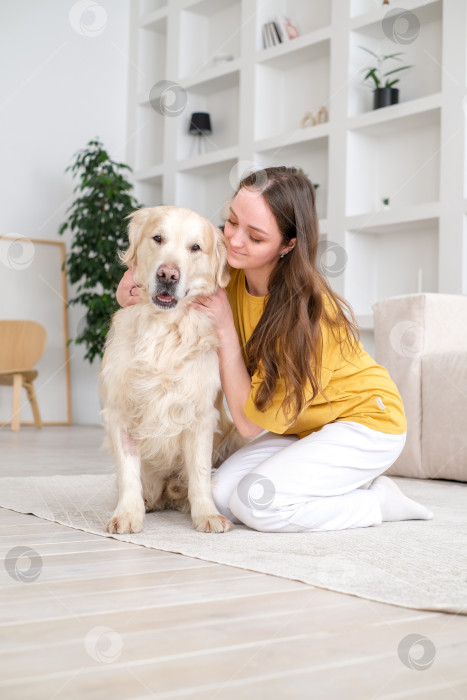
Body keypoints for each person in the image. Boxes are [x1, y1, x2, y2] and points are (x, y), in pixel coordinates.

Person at [117, 166, 433, 533]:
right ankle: (331, 478)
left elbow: (249, 424)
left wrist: (224, 326)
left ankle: (377, 501)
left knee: (257, 506)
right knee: (218, 496)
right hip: (302, 427)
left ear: (288, 244)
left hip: (365, 422)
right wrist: (128, 287)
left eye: (254, 236)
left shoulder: (310, 314)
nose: (234, 241)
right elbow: (159, 269)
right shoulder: (229, 269)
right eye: (232, 221)